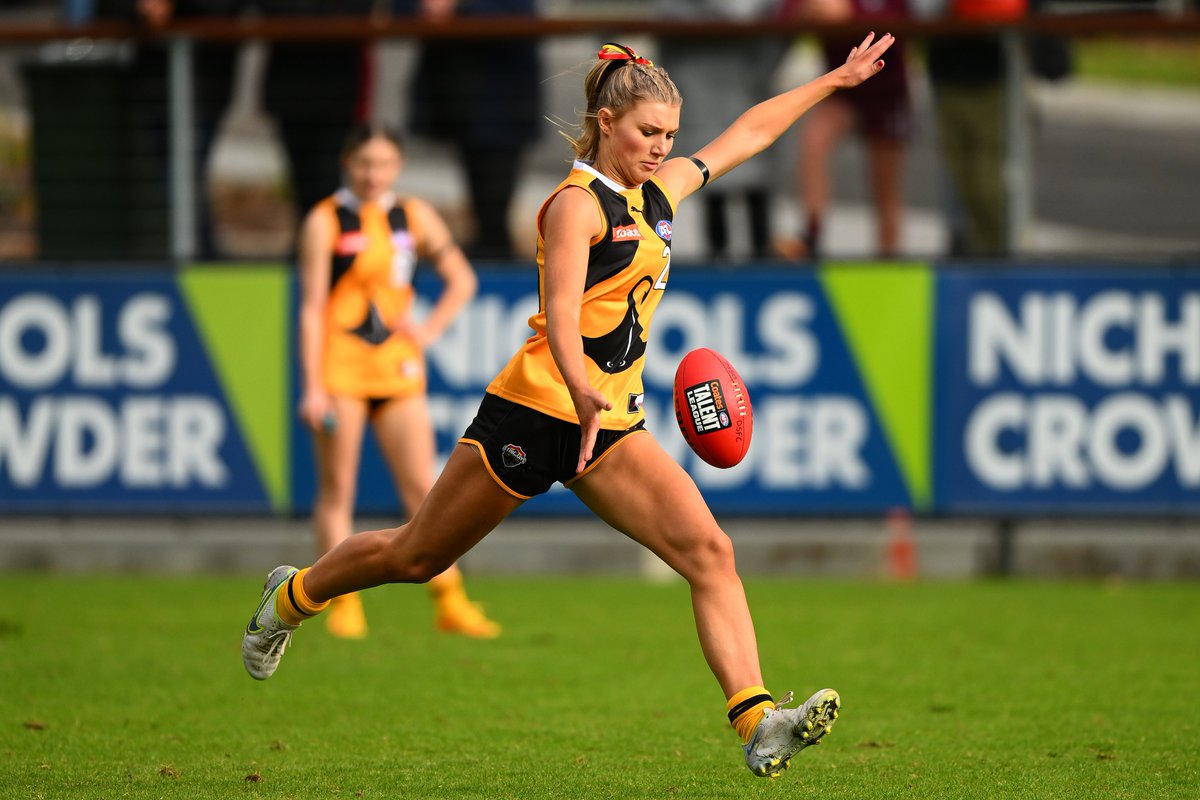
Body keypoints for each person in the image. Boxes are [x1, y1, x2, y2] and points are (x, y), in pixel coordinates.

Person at [243, 35, 895, 777]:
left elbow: (748, 132)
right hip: (534, 410)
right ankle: (292, 596)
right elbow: (556, 311)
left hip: (610, 425)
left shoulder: (662, 192)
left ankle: (757, 720)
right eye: (649, 133)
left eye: (670, 136)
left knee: (710, 553)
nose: (662, 148)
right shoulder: (575, 205)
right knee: (416, 554)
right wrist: (581, 384)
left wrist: (835, 80)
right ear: (606, 121)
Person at [295, 124, 499, 639]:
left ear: (398, 166)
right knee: (338, 488)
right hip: (342, 368)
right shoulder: (325, 221)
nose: (372, 174)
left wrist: (427, 330)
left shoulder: (412, 215)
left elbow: (462, 278)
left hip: (398, 370)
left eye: (383, 163)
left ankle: (450, 601)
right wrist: (313, 385)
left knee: (423, 491)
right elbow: (312, 307)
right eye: (364, 163)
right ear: (347, 163)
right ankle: (341, 604)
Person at [397, 0, 542, 261]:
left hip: (503, 100)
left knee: (494, 205)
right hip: (453, 96)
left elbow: (520, 13)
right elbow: (400, 9)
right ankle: (486, 254)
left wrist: (456, 8)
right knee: (480, 200)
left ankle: (494, 265)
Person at [655, 0, 788, 262]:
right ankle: (725, 263)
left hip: (743, 92)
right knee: (710, 179)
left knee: (741, 183)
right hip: (712, 97)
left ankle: (755, 260)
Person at [785, 0, 911, 259]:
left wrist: (851, 14)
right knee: (814, 138)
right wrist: (809, 11)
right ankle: (812, 235)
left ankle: (889, 256)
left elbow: (900, 18)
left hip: (885, 91)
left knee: (884, 180)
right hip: (844, 91)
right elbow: (786, 12)